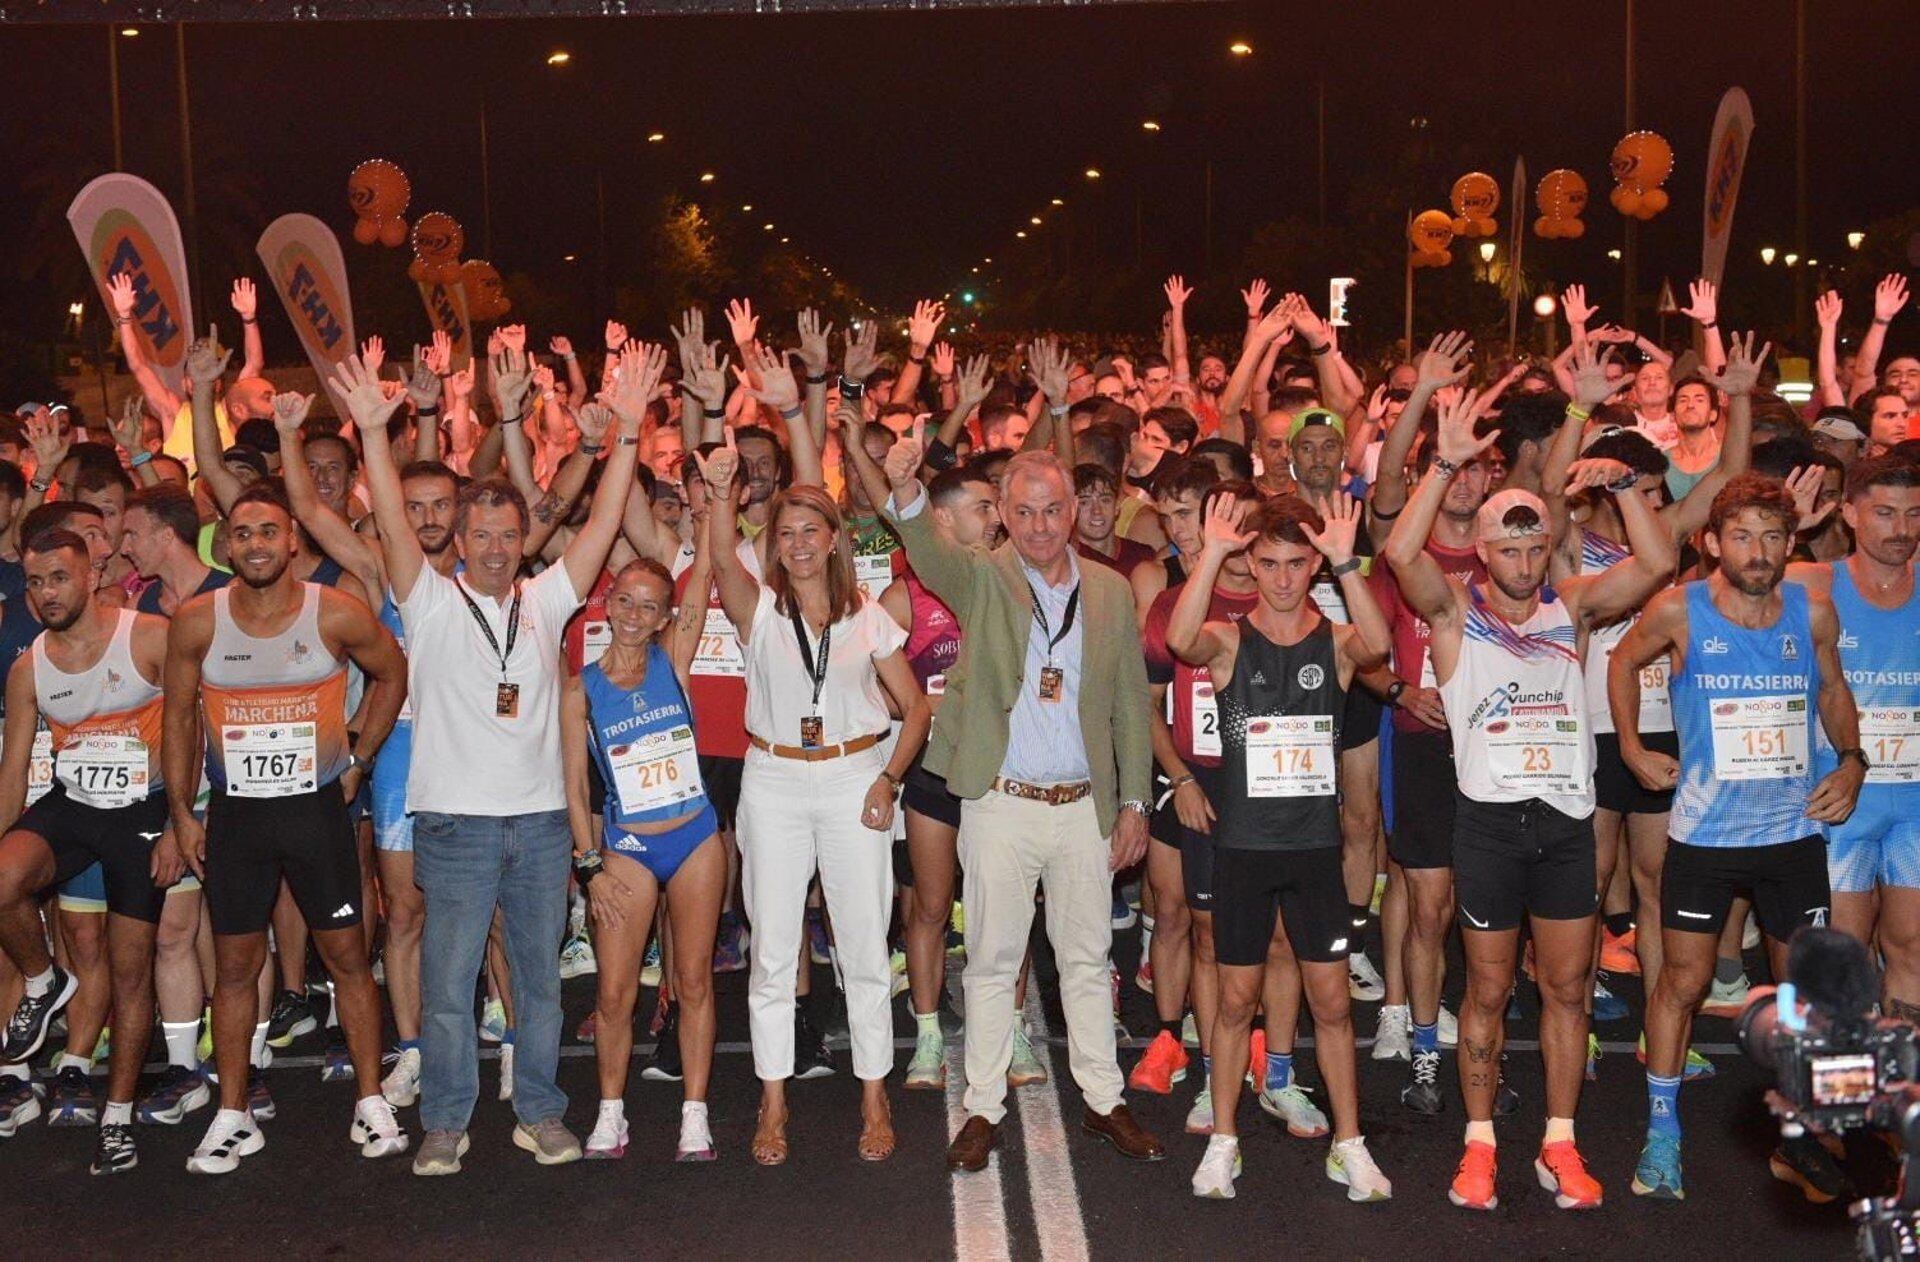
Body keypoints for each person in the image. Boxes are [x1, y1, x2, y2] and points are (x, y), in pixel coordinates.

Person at [341, 339, 662, 1176]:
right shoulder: (429, 601)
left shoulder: (548, 598)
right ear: (461, 540)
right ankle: (446, 1121)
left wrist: (626, 433)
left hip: (543, 826)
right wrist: (378, 433)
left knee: (541, 984)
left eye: (504, 532)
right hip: (454, 828)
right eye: (478, 532)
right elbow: (385, 513)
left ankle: (540, 1112)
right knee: (449, 990)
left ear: (524, 538)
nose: (489, 545)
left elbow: (598, 522)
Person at [1387, 382, 1674, 1211]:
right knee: (1482, 990)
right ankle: (1479, 1147)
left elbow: (1656, 564)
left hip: (1564, 828)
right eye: (1505, 550)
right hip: (1487, 828)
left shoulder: (1575, 612)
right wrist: (1442, 464)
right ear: (1480, 551)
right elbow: (1403, 557)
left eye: (1534, 548)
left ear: (1551, 547)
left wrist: (1619, 483)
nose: (1520, 563)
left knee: (1566, 989)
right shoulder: (1451, 615)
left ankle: (1558, 1141)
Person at [882, 379, 1164, 1173]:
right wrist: (905, 486)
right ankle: (980, 1110)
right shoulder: (981, 575)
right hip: (1001, 803)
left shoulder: (1109, 592)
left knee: (1084, 960)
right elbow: (927, 547)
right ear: (1004, 514)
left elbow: (1128, 711)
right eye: (1025, 511)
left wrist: (1135, 802)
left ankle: (1105, 1102)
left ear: (1074, 511)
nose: (1040, 526)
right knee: (996, 959)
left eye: (1053, 510)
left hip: (1085, 809)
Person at [1611, 473, 1866, 1202]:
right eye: (1744, 536)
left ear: (1793, 543)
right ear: (1714, 542)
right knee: (1683, 984)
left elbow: (1833, 688)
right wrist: (1630, 746)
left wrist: (1852, 761)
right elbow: (1624, 661)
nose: (1759, 552)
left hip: (1792, 834)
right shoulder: (1678, 611)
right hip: (1705, 836)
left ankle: (1803, 1131)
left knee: (1801, 991)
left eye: (1774, 537)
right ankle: (1662, 1132)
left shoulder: (1812, 612)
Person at [162, 484, 409, 1174]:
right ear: (227, 544)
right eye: (242, 534)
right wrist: (181, 812)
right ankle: (233, 1113)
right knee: (235, 968)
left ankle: (370, 1099)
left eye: (268, 532)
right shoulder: (198, 622)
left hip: (316, 810)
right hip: (237, 816)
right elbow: (178, 719)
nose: (257, 545)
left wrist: (360, 756)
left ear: (292, 538)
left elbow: (392, 673)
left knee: (349, 959)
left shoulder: (335, 613)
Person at [699, 433, 928, 1165]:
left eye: (810, 529)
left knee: (863, 946)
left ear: (833, 538)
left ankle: (873, 1092)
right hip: (772, 781)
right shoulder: (759, 612)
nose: (797, 543)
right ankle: (773, 1100)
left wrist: (888, 779)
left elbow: (916, 708)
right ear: (770, 544)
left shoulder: (868, 619)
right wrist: (720, 493)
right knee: (772, 948)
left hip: (854, 778)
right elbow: (717, 560)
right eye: (785, 532)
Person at [1168, 491, 1395, 1202]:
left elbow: (1381, 645)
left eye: (1298, 563)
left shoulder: (1335, 643)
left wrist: (1347, 562)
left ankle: (1349, 1146)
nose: (1285, 578)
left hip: (1312, 852)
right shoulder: (1231, 641)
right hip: (1244, 848)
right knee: (1236, 1001)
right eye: (1269, 563)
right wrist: (1209, 553)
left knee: (1331, 1001)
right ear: (1251, 563)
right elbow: (1179, 641)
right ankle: (1225, 1143)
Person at [275, 391, 463, 1109]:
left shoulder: (488, 564)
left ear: (460, 510)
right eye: (411, 507)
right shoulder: (385, 568)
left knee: (495, 911)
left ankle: (502, 1041)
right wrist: (294, 434)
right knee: (406, 913)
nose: (426, 520)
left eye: (439, 506)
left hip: (476, 752)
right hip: (405, 753)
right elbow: (310, 508)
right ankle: (413, 1049)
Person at [0, 529, 175, 1174]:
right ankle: (45, 981)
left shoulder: (149, 636)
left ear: (92, 576)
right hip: (73, 804)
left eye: (58, 578)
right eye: (35, 582)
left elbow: (197, 725)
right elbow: (13, 770)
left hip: (143, 811)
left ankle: (119, 1114)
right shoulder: (29, 667)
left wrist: (187, 822)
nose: (46, 593)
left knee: (131, 972)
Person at [563, 540, 725, 1162]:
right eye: (623, 600)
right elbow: (576, 787)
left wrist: (714, 498)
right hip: (627, 844)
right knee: (613, 991)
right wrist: (589, 866)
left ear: (666, 617)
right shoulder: (579, 690)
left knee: (693, 981)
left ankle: (694, 1114)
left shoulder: (674, 660)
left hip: (694, 838)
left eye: (648, 606)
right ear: (607, 604)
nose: (633, 614)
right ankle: (610, 1113)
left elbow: (707, 566)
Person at [1784, 458, 1920, 1018]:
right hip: (1839, 802)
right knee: (1840, 958)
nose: (1901, 529)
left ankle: (1902, 1090)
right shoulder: (1812, 582)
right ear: (1848, 514)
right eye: (1884, 513)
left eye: (1914, 515)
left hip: (1913, 805)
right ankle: (1838, 1093)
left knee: (1912, 948)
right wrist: (1786, 528)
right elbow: (1726, 584)